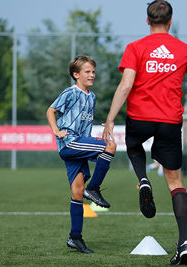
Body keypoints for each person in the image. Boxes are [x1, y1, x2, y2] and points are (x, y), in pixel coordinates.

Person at [102, 1, 187, 265]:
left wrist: (109, 118)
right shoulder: (186, 50)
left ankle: (142, 179)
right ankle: (184, 242)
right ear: (171, 21)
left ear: (147, 20)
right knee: (175, 182)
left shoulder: (135, 48)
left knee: (133, 145)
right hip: (170, 121)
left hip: (139, 117)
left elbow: (126, 84)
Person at [46, 55, 116, 254]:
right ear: (76, 75)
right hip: (69, 142)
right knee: (110, 146)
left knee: (77, 191)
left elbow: (84, 123)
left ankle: (75, 237)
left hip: (79, 146)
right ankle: (94, 188)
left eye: (93, 71)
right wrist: (56, 131)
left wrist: (99, 130)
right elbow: (50, 111)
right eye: (87, 72)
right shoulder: (70, 92)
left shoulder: (91, 97)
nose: (92, 75)